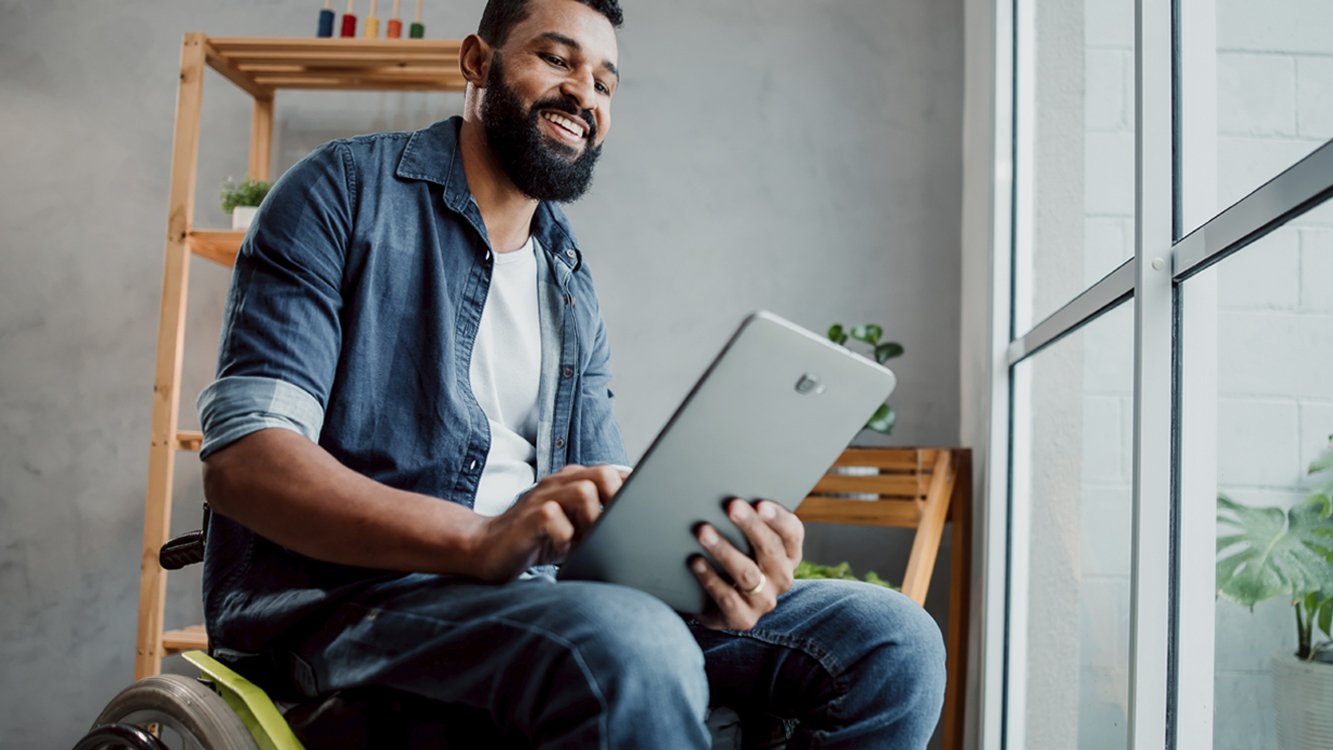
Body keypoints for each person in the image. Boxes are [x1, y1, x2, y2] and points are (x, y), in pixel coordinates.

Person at [196, 0, 946, 746]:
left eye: (605, 82)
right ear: (476, 61)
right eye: (557, 60)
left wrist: (704, 571)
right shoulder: (339, 194)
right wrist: (480, 537)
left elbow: (599, 492)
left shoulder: (565, 272)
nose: (584, 94)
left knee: (890, 640)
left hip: (548, 599)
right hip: (353, 599)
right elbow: (247, 464)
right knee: (625, 642)